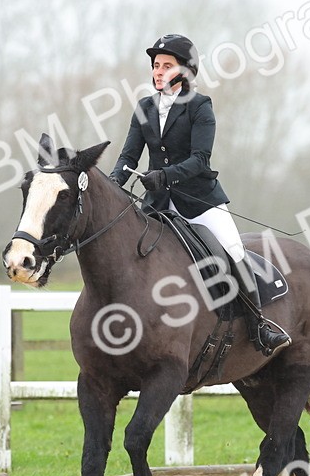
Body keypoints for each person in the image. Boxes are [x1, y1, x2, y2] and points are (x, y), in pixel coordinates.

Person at [109, 34, 291, 357]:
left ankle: (259, 326)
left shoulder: (199, 106)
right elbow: (128, 157)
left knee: (234, 250)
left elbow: (200, 160)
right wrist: (112, 183)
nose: (158, 72)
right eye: (155, 65)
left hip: (199, 201)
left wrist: (164, 175)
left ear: (185, 71)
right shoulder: (144, 108)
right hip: (158, 206)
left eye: (167, 66)